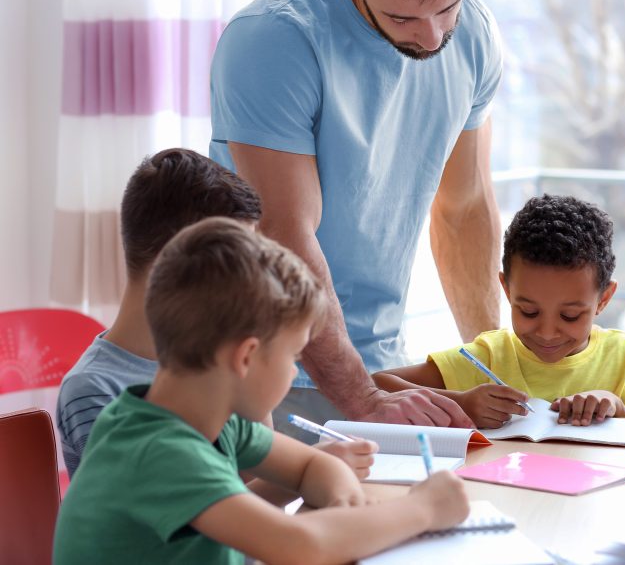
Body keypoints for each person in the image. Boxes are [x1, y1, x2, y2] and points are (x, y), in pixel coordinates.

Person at [210, 0, 498, 431]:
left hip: (382, 365)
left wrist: (495, 363)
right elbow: (286, 234)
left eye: (448, 7)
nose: (432, 37)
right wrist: (361, 397)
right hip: (259, 365)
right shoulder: (272, 40)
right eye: (403, 19)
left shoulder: (476, 35)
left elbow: (464, 207)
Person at [53, 218, 470, 565]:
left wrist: (346, 506)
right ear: (247, 356)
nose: (292, 372)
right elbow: (300, 546)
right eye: (293, 357)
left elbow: (313, 465)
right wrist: (424, 508)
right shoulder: (158, 450)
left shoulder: (206, 418)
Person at [55, 149, 375, 480]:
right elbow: (184, 509)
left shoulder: (221, 352)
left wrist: (310, 467)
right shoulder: (93, 390)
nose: (253, 280)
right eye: (239, 261)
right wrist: (307, 472)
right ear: (176, 260)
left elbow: (252, 474)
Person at [373, 195, 625, 428]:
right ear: (507, 290)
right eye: (528, 311)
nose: (547, 333)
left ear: (603, 299)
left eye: (570, 316)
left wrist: (616, 408)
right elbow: (377, 384)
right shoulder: (489, 356)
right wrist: (460, 402)